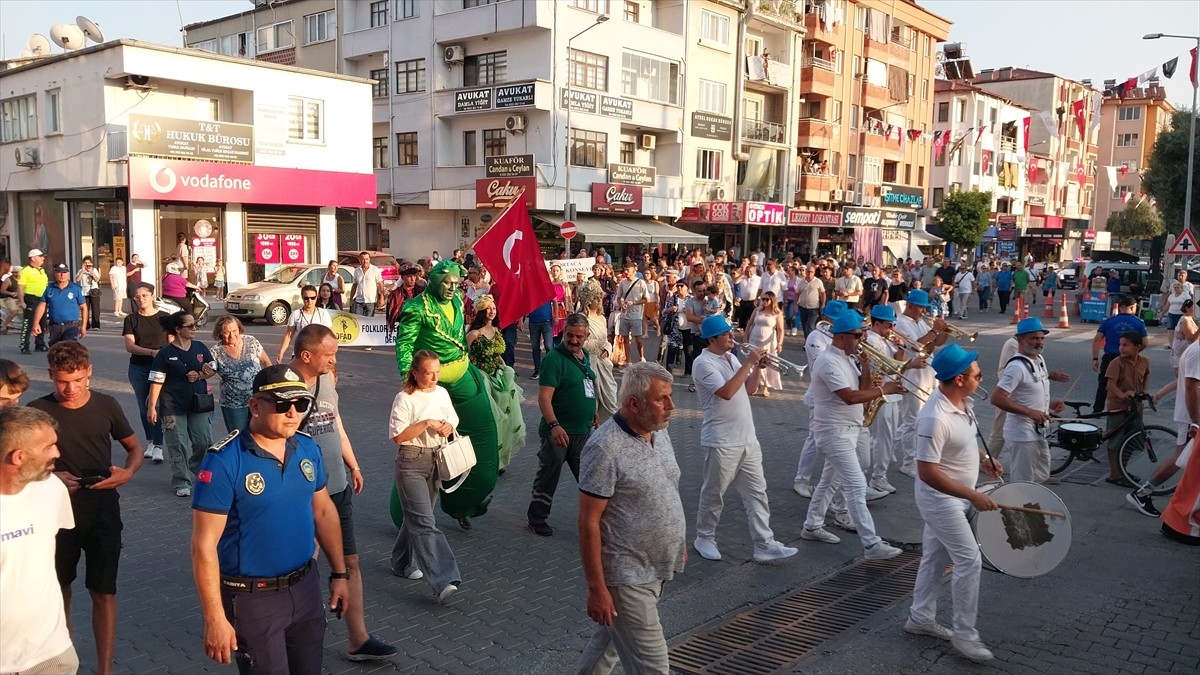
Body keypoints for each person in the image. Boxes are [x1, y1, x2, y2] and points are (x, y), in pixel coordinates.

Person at [190, 364, 349, 673]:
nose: (293, 412)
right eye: (282, 404)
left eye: (301, 404)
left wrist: (341, 575)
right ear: (255, 406)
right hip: (253, 599)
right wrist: (214, 617)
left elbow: (324, 511)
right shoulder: (224, 461)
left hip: (305, 588)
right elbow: (202, 546)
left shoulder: (307, 447)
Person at [284, 325, 397, 661]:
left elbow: (336, 423)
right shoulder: (281, 386)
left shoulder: (327, 379)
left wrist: (354, 464)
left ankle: (358, 639)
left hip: (336, 486)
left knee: (350, 561)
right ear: (307, 355)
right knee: (299, 566)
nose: (334, 360)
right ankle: (290, 640)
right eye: (329, 355)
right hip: (300, 493)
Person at [29, 342, 142, 675]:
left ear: (89, 372)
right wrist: (48, 475)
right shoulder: (37, 411)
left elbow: (134, 448)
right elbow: (23, 465)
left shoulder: (107, 405)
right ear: (51, 375)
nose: (71, 389)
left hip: (104, 511)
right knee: (58, 588)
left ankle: (104, 668)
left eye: (77, 379)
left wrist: (128, 473)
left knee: (103, 591)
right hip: (56, 516)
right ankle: (61, 659)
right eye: (63, 381)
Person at [576, 362, 684, 675]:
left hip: (656, 568)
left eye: (670, 396)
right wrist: (597, 589)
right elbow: (587, 522)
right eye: (662, 399)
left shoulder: (658, 432)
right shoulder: (604, 448)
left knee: (605, 650)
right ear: (633, 404)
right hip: (627, 577)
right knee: (653, 668)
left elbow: (666, 485)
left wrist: (677, 540)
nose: (671, 406)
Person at [906, 343, 1003, 664]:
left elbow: (961, 446)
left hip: (957, 497)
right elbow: (927, 472)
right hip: (941, 501)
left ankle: (919, 618)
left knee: (934, 558)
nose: (981, 378)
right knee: (969, 559)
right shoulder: (934, 417)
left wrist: (983, 460)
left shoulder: (963, 403)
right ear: (960, 379)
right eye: (977, 374)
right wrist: (972, 494)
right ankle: (965, 635)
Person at [394, 260, 499, 530]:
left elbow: (460, 339)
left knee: (484, 446)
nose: (452, 288)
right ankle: (407, 518)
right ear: (433, 281)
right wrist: (412, 385)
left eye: (456, 283)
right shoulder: (416, 307)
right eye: (447, 283)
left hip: (463, 378)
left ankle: (460, 504)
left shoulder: (455, 302)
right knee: (418, 452)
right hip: (428, 386)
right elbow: (405, 346)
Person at [691, 315, 797, 563]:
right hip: (721, 441)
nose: (733, 337)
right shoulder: (703, 363)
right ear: (713, 339)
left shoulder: (730, 357)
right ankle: (704, 537)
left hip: (747, 439)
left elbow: (748, 390)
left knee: (758, 494)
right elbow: (726, 392)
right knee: (714, 494)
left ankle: (764, 544)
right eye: (727, 334)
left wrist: (757, 369)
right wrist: (748, 364)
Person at [800, 310, 904, 559]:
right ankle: (871, 544)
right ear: (842, 337)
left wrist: (867, 365)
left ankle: (812, 525)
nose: (862, 340)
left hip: (851, 428)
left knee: (829, 481)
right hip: (833, 432)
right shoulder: (827, 361)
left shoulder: (848, 357)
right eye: (858, 336)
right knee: (857, 485)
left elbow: (863, 390)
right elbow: (849, 397)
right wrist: (884, 389)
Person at [0, 407, 79, 675]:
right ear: (19, 456)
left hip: (52, 655)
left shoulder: (52, 489)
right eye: (49, 447)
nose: (57, 453)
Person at [387, 350, 463, 602]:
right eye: (428, 372)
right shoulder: (404, 398)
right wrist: (426, 423)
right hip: (411, 460)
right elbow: (398, 436)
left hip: (436, 458)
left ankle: (400, 562)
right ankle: (443, 580)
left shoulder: (441, 393)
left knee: (418, 516)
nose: (434, 377)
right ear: (415, 373)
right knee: (424, 521)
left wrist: (448, 426)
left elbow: (452, 417)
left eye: (437, 372)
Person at [528, 314, 598, 536]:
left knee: (589, 479)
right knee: (549, 476)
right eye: (570, 335)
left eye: (579, 336)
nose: (574, 340)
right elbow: (544, 398)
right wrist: (554, 425)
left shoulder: (584, 355)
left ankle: (597, 521)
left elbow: (586, 385)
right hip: (558, 434)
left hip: (582, 432)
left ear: (587, 337)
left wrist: (593, 411)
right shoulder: (553, 359)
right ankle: (537, 518)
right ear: (563, 333)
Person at [147, 311, 216, 497]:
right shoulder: (165, 354)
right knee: (177, 444)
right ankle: (181, 480)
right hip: (172, 404)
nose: (195, 329)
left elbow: (213, 369)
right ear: (178, 329)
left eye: (195, 325)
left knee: (204, 441)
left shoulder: (200, 348)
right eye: (190, 326)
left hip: (198, 403)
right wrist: (152, 406)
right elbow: (156, 381)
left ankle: (194, 465)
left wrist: (201, 375)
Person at [1129, 338, 1200, 516]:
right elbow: (1191, 387)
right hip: (1191, 417)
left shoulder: (1195, 349)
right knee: (1179, 458)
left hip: (1191, 416)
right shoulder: (1197, 352)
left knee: (1183, 458)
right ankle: (1142, 492)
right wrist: (1195, 421)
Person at [991, 318, 1065, 484]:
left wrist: (1051, 404)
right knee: (1022, 483)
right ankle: (1019, 507)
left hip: (1038, 432)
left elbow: (1030, 392)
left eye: (1041, 338)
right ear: (1020, 340)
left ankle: (1028, 504)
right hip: (1022, 434)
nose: (1039, 342)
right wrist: (1029, 412)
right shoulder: (1016, 367)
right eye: (1033, 338)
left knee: (1042, 474)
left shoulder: (1039, 360)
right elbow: (997, 398)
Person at [465, 295, 527, 471]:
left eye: (494, 308)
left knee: (505, 417)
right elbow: (465, 357)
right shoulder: (474, 333)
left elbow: (497, 355)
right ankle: (486, 457)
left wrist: (505, 367)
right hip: (482, 376)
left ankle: (500, 459)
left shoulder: (497, 331)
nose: (492, 311)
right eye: (488, 308)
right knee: (491, 418)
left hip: (497, 375)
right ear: (482, 311)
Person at [892, 290, 949, 477]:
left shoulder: (920, 322)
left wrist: (942, 332)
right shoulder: (900, 323)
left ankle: (891, 444)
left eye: (924, 308)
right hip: (912, 376)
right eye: (920, 308)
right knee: (911, 422)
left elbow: (932, 345)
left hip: (928, 376)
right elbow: (916, 345)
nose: (923, 312)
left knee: (921, 419)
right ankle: (908, 462)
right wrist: (934, 331)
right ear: (909, 305)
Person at [865, 304, 913, 494]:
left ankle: (879, 475)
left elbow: (897, 364)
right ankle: (878, 478)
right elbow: (886, 369)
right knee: (881, 440)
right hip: (880, 393)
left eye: (893, 325)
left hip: (891, 394)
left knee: (887, 438)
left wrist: (901, 347)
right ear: (876, 323)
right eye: (888, 325)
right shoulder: (871, 341)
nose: (892, 329)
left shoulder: (886, 340)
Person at [123, 283, 170, 464]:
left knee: (155, 405)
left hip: (160, 368)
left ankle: (158, 445)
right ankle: (151, 441)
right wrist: (151, 352)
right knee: (144, 407)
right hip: (138, 367)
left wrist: (163, 356)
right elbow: (130, 346)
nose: (141, 300)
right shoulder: (131, 319)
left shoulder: (164, 318)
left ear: (152, 296)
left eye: (144, 296)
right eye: (137, 297)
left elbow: (172, 342)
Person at [209, 315, 271, 434]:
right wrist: (203, 372)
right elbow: (209, 372)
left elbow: (266, 362)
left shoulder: (251, 341)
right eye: (227, 332)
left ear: (239, 328)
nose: (232, 335)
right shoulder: (215, 351)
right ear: (220, 333)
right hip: (233, 404)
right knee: (238, 437)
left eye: (234, 331)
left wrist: (269, 385)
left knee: (260, 434)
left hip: (257, 399)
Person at [1103, 333, 1150, 485]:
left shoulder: (1145, 362)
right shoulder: (1116, 363)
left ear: (1137, 347)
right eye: (1120, 344)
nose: (1121, 348)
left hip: (1136, 407)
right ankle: (1114, 474)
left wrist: (1144, 394)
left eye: (1126, 345)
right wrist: (1122, 395)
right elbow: (1110, 385)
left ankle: (1123, 470)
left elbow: (1145, 381)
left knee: (1133, 439)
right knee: (1114, 441)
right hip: (1118, 406)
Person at [1092, 295, 1149, 412]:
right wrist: (1134, 352)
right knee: (1128, 383)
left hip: (1109, 357)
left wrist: (1095, 358)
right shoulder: (1138, 323)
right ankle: (1130, 407)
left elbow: (1097, 339)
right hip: (1129, 359)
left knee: (1104, 383)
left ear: (1120, 307)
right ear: (1133, 307)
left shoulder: (1108, 321)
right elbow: (1145, 342)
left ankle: (1098, 409)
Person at [32, 262, 88, 345]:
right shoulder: (49, 289)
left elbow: (84, 308)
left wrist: (83, 326)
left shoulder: (76, 289)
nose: (62, 275)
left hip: (71, 326)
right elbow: (42, 306)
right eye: (59, 272)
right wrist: (36, 323)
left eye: (64, 272)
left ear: (68, 273)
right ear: (54, 273)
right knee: (56, 351)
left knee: (68, 348)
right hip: (55, 326)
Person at [278, 284, 333, 363]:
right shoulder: (296, 314)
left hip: (318, 354)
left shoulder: (323, 313)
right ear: (302, 298)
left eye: (312, 298)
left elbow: (328, 336)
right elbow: (289, 335)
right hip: (300, 353)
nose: (309, 301)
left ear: (317, 296)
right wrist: (281, 352)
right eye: (306, 298)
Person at [744, 291, 785, 397]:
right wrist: (745, 338)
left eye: (767, 299)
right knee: (753, 362)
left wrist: (780, 343)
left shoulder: (777, 313)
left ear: (772, 301)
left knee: (765, 362)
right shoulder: (757, 310)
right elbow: (749, 324)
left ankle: (765, 386)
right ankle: (754, 384)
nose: (765, 301)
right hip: (754, 339)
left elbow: (780, 329)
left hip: (768, 341)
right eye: (763, 299)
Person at [17, 249, 50, 353]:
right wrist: (21, 301)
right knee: (28, 323)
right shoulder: (26, 270)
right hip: (31, 298)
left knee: (42, 322)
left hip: (42, 299)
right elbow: (20, 286)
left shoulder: (42, 270)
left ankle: (39, 344)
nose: (43, 258)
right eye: (40, 256)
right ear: (33, 258)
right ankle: (24, 345)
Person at [617, 262, 649, 364]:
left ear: (633, 271)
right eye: (625, 270)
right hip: (625, 314)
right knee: (625, 339)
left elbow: (646, 299)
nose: (625, 272)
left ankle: (642, 358)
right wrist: (621, 305)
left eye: (628, 270)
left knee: (638, 339)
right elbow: (618, 297)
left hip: (636, 315)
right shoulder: (622, 282)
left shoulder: (641, 283)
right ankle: (629, 362)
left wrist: (634, 302)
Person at [350, 251, 384, 316]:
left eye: (367, 259)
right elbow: (354, 285)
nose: (365, 261)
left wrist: (381, 298)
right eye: (363, 259)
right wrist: (351, 299)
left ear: (369, 259)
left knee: (369, 322)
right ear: (360, 260)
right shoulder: (357, 271)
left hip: (370, 301)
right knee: (359, 321)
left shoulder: (375, 270)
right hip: (359, 301)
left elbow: (380, 284)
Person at [527, 300, 554, 379]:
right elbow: (524, 304)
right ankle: (537, 370)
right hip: (533, 321)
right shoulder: (530, 289)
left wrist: (555, 316)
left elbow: (555, 300)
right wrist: (521, 320)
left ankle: (550, 370)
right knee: (535, 347)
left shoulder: (546, 288)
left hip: (546, 321)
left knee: (548, 346)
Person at [1163, 280, 1192, 349]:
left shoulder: (1185, 295)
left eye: (1177, 287)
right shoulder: (1171, 296)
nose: (1176, 289)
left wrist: (1189, 314)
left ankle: (1185, 344)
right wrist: (1162, 313)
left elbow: (1190, 305)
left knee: (1182, 330)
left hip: (1181, 314)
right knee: (1170, 329)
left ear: (1181, 288)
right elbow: (1167, 305)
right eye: (1174, 287)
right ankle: (1171, 345)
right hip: (1172, 314)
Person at [1171, 300, 1198, 373]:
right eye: (1194, 307)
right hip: (1182, 356)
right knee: (1182, 381)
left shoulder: (1190, 319)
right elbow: (1190, 338)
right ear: (1187, 308)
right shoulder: (1185, 320)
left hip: (1188, 355)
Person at [0, 260, 19, 334]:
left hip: (19, 298)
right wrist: (11, 293)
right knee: (14, 311)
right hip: (10, 298)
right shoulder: (8, 279)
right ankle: (4, 325)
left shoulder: (22, 279)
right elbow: (2, 290)